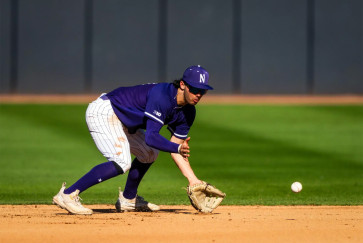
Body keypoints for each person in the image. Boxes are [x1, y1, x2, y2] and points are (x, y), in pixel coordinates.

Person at [53, 65, 213, 215]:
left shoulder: (188, 113)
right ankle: (68, 194)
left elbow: (176, 149)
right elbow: (151, 137)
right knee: (122, 162)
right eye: (195, 89)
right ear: (183, 85)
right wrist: (176, 148)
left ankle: (128, 199)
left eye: (203, 91)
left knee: (150, 154)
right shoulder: (162, 96)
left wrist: (193, 180)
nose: (198, 94)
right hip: (106, 110)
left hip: (125, 120)